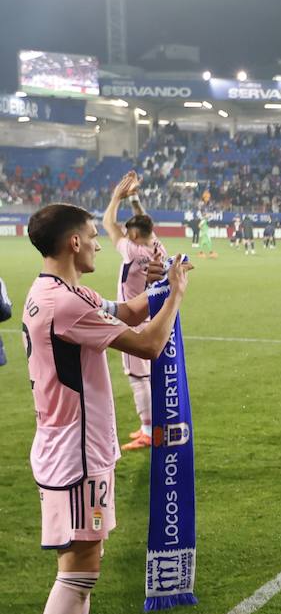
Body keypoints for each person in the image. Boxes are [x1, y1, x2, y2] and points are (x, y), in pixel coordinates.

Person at [21, 203, 190, 614]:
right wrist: (179, 297)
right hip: (74, 452)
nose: (99, 243)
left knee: (86, 561)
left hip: (81, 446)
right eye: (93, 237)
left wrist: (161, 288)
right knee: (79, 566)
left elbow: (131, 311)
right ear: (73, 242)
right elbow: (147, 342)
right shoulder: (63, 303)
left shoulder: (62, 292)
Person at [100, 172, 158, 452]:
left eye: (128, 232)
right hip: (152, 318)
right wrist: (134, 199)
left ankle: (148, 430)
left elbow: (107, 224)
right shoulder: (156, 247)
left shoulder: (132, 252)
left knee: (138, 378)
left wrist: (116, 196)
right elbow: (145, 223)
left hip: (133, 320)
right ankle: (151, 425)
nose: (124, 234)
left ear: (133, 235)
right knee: (146, 376)